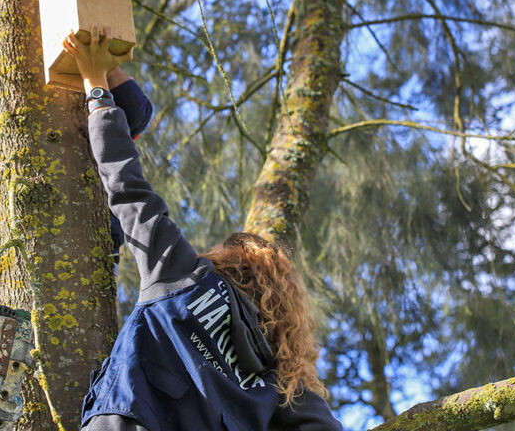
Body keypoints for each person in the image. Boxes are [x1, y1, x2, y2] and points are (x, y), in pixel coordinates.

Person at [66, 25, 343, 430]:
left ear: (229, 264)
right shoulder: (278, 384)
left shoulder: (184, 275)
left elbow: (129, 188)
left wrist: (95, 83)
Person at [0, 23, 153, 431]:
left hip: (84, 244)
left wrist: (95, 55)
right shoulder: (7, 82)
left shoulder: (97, 85)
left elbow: (138, 113)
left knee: (36, 369)